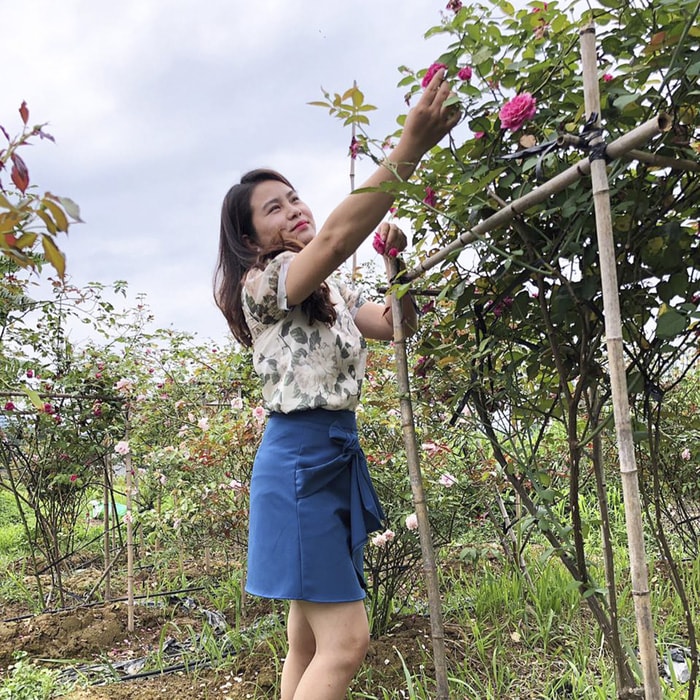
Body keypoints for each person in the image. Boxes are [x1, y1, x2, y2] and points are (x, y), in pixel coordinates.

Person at [214, 68, 459, 700]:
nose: (294, 210)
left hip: (329, 459)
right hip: (299, 465)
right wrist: (408, 151)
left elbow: (396, 325)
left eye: (295, 198)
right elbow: (333, 238)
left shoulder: (331, 292)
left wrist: (396, 267)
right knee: (346, 643)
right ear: (249, 239)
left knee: (307, 641)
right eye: (274, 208)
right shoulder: (265, 284)